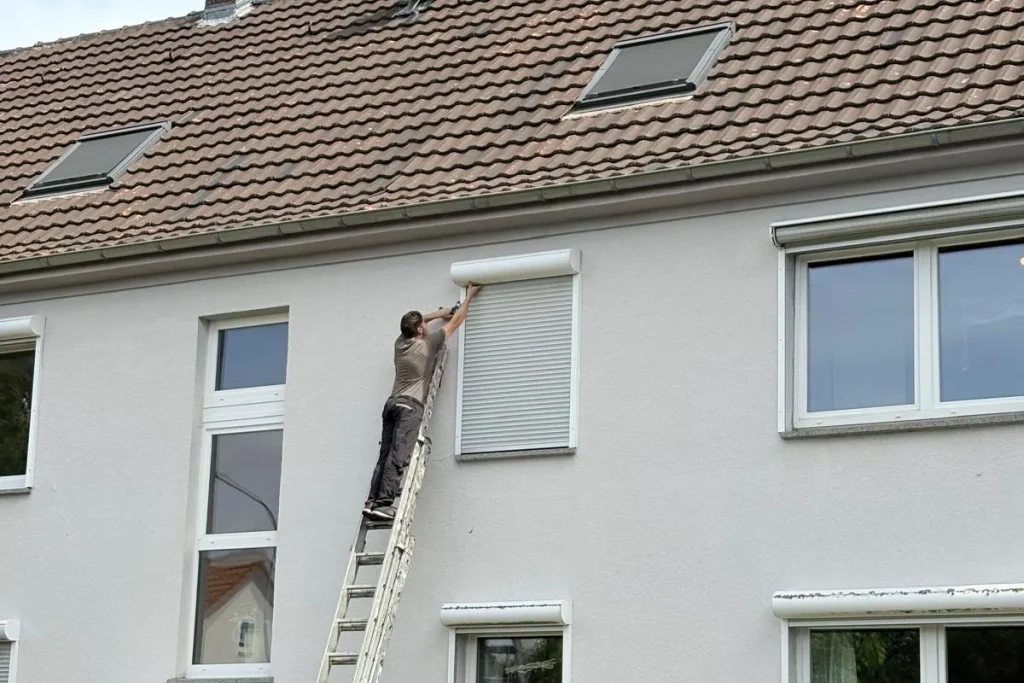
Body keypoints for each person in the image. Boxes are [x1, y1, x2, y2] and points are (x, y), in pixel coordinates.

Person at [363, 284, 482, 521]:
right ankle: (384, 503)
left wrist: (440, 312)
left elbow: (418, 319)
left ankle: (372, 501)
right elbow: (457, 321)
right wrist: (468, 297)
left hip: (391, 405)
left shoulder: (401, 342)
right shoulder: (427, 345)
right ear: (419, 330)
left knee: (384, 455)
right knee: (398, 456)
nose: (428, 325)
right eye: (424, 325)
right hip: (410, 406)